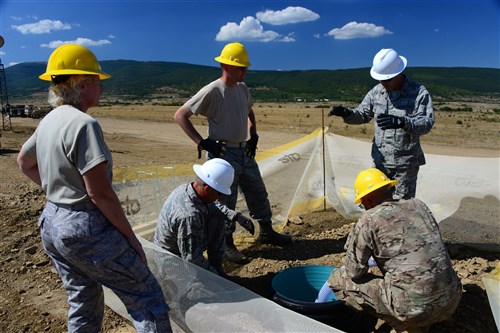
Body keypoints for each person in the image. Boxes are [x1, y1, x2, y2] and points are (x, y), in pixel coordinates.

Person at [16, 44, 172, 332]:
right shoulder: (84, 124)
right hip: (84, 228)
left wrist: (57, 190)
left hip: (51, 223)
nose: (101, 87)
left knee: (83, 301)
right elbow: (99, 193)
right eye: (97, 81)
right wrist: (131, 239)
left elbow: (24, 161)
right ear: (83, 84)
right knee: (146, 295)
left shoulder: (48, 120)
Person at [174, 42, 292, 264]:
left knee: (258, 191)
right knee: (224, 202)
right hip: (223, 153)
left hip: (243, 150)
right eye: (241, 68)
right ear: (227, 66)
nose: (245, 72)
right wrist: (203, 143)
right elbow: (180, 115)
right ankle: (226, 246)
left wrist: (253, 134)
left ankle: (266, 232)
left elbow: (249, 111)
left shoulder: (242, 88)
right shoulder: (212, 90)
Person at [316, 168, 462, 333]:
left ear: (368, 200)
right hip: (451, 300)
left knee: (338, 279)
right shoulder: (418, 205)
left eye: (362, 203)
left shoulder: (369, 219)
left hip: (415, 308)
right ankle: (418, 317)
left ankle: (407, 324)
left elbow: (353, 271)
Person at [328, 48, 435, 200]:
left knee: (402, 209)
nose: (384, 83)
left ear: (399, 73)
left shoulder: (418, 92)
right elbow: (363, 114)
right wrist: (347, 113)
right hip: (380, 163)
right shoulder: (377, 92)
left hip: (404, 166)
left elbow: (426, 123)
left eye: (388, 79)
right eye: (381, 79)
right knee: (378, 204)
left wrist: (403, 122)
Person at [153, 158, 255, 277]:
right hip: (173, 265)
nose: (220, 198)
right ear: (207, 189)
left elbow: (214, 206)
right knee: (209, 291)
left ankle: (217, 268)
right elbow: (193, 261)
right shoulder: (189, 217)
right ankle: (214, 278)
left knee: (218, 216)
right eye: (219, 193)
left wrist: (236, 216)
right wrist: (217, 279)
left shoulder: (189, 189)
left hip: (182, 251)